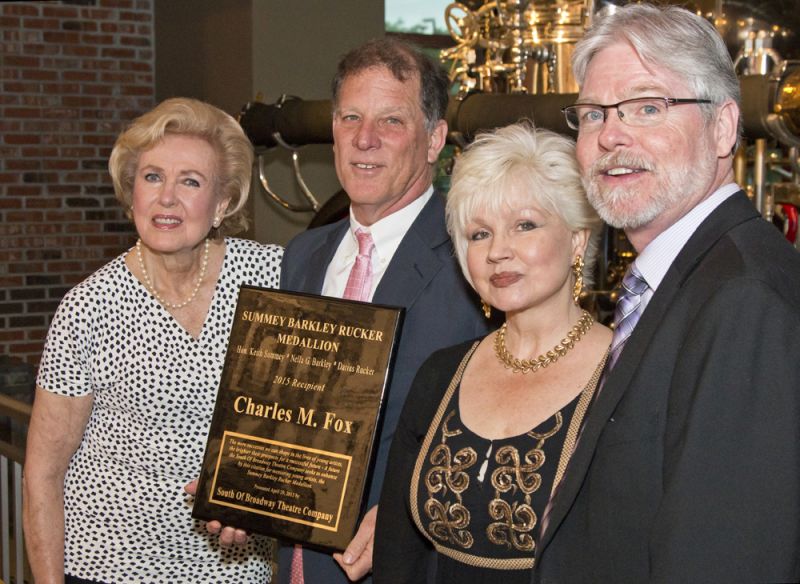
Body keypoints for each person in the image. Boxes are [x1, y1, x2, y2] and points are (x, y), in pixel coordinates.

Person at [533, 4, 800, 582]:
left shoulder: (743, 299)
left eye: (648, 107)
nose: (610, 136)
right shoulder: (679, 281)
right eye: (592, 114)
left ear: (724, 127)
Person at [23, 98, 283, 583]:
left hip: (234, 567)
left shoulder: (273, 278)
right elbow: (43, 474)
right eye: (152, 177)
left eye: (190, 181)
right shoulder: (88, 308)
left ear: (222, 202)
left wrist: (262, 482)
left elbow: (320, 409)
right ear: (132, 194)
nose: (167, 198)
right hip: (108, 563)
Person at [277, 38, 492, 582]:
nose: (364, 139)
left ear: (434, 141)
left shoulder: (477, 258)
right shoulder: (304, 255)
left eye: (391, 121)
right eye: (351, 117)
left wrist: (411, 510)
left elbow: (503, 429)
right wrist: (242, 493)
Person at [372, 122, 611, 583]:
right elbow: (398, 557)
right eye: (479, 234)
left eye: (524, 225)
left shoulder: (623, 378)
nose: (499, 251)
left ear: (577, 239)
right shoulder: (441, 374)